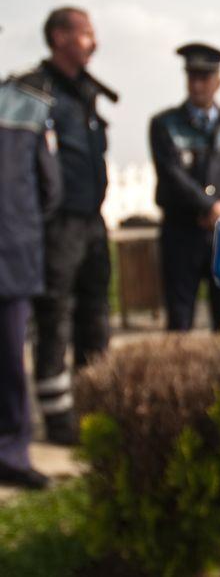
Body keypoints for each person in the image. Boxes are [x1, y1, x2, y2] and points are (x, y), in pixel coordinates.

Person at [19, 7, 118, 445]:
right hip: (56, 226)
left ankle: (93, 404)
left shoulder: (86, 92)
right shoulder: (34, 90)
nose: (93, 42)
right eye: (85, 34)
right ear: (60, 37)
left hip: (92, 222)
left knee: (95, 315)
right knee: (54, 317)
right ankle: (58, 417)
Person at [150, 43, 220, 331]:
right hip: (182, 234)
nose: (197, 85)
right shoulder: (165, 125)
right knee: (179, 322)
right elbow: (172, 175)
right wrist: (209, 206)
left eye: (205, 77)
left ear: (218, 81)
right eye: (192, 77)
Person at [0, 57, 63, 488]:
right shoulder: (25, 103)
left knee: (10, 359)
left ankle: (11, 452)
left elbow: (49, 189)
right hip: (11, 248)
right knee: (9, 359)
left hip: (10, 255)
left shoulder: (28, 105)